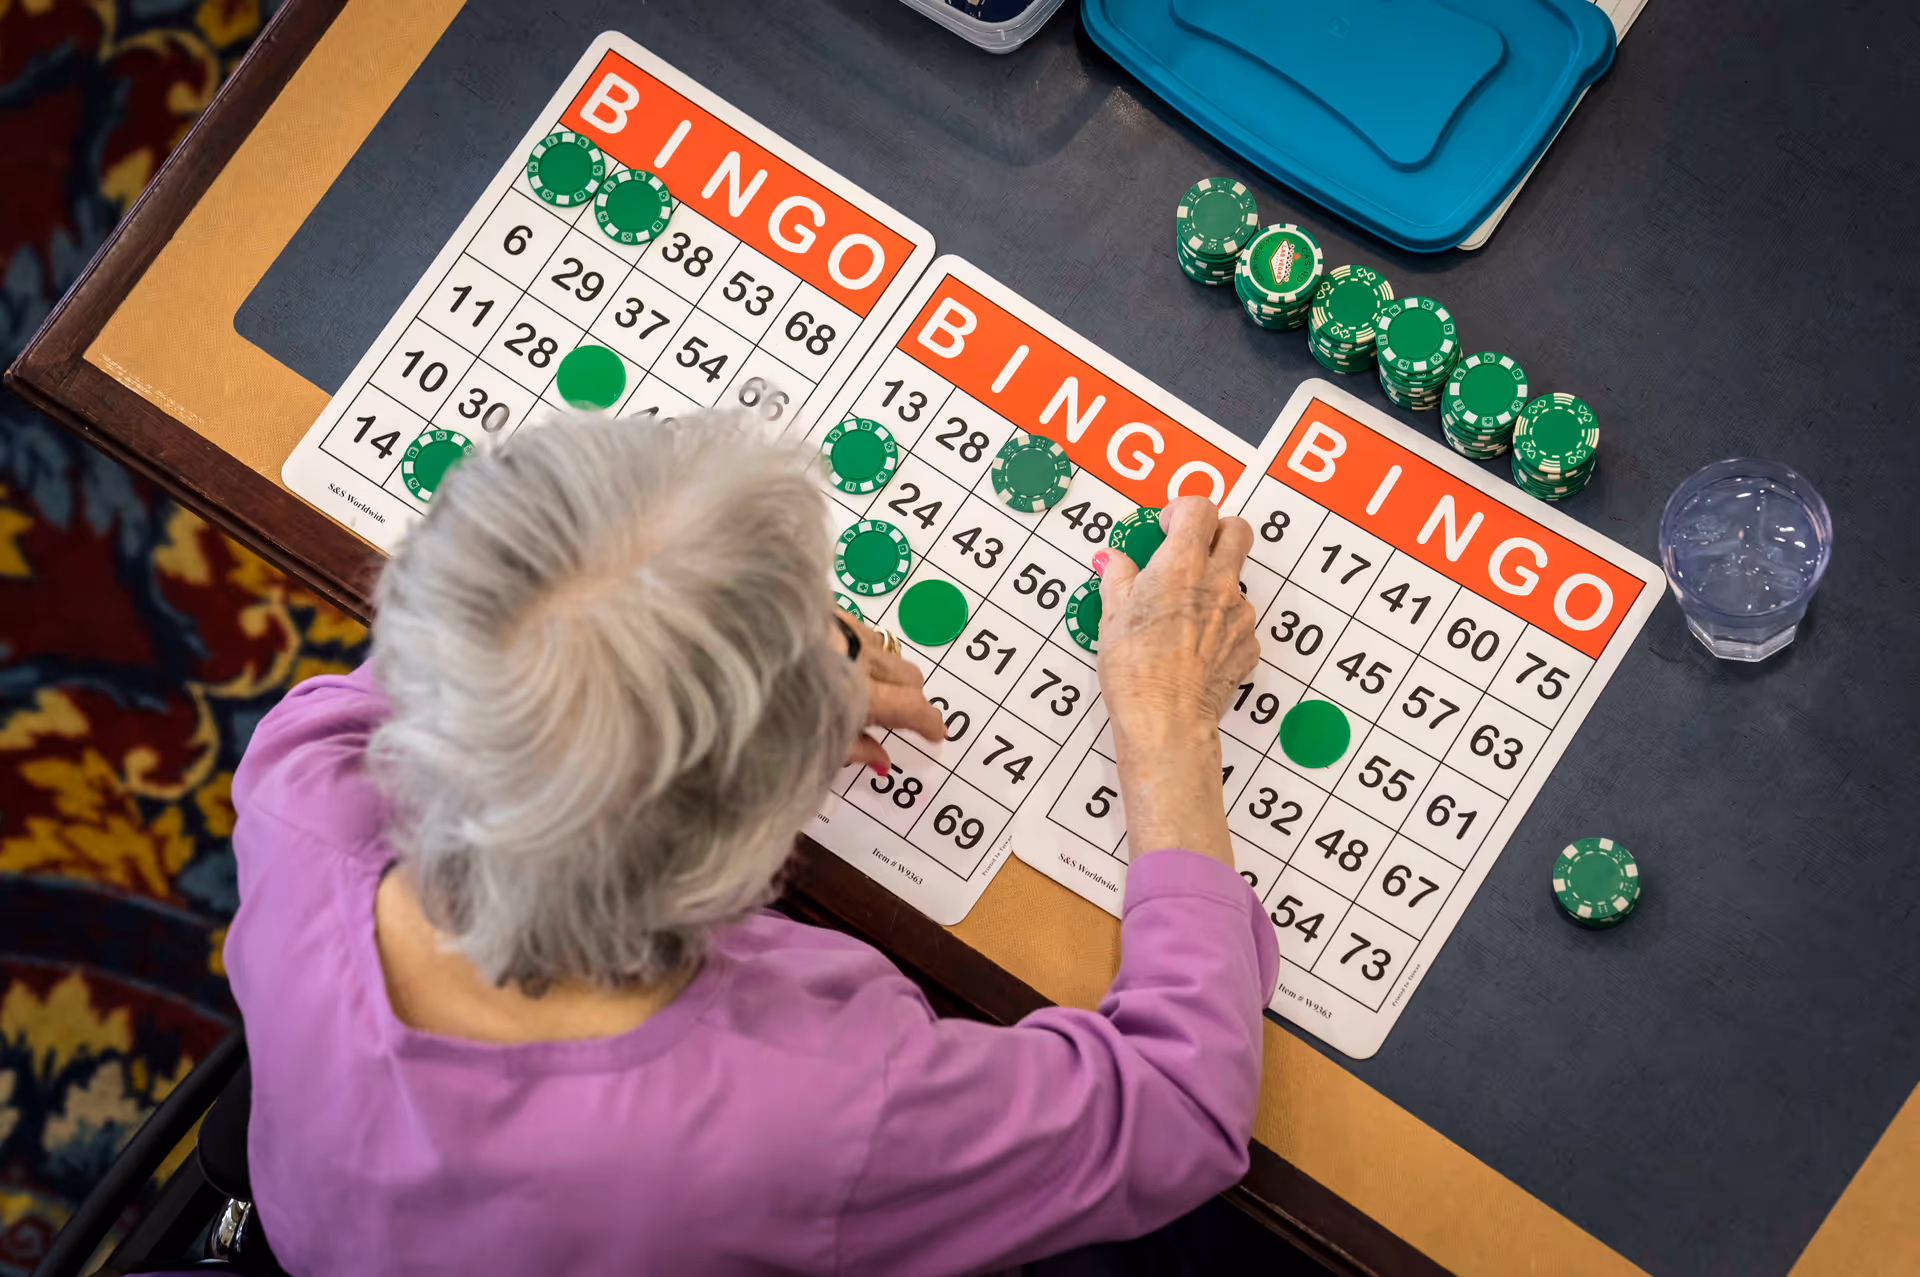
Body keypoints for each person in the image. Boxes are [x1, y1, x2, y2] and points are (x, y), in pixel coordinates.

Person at [224, 408, 1278, 1275]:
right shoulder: (813, 1107)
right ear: (746, 820)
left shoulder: (299, 792)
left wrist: (740, 687)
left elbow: (475, 640)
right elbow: (1176, 1105)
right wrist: (1166, 715)